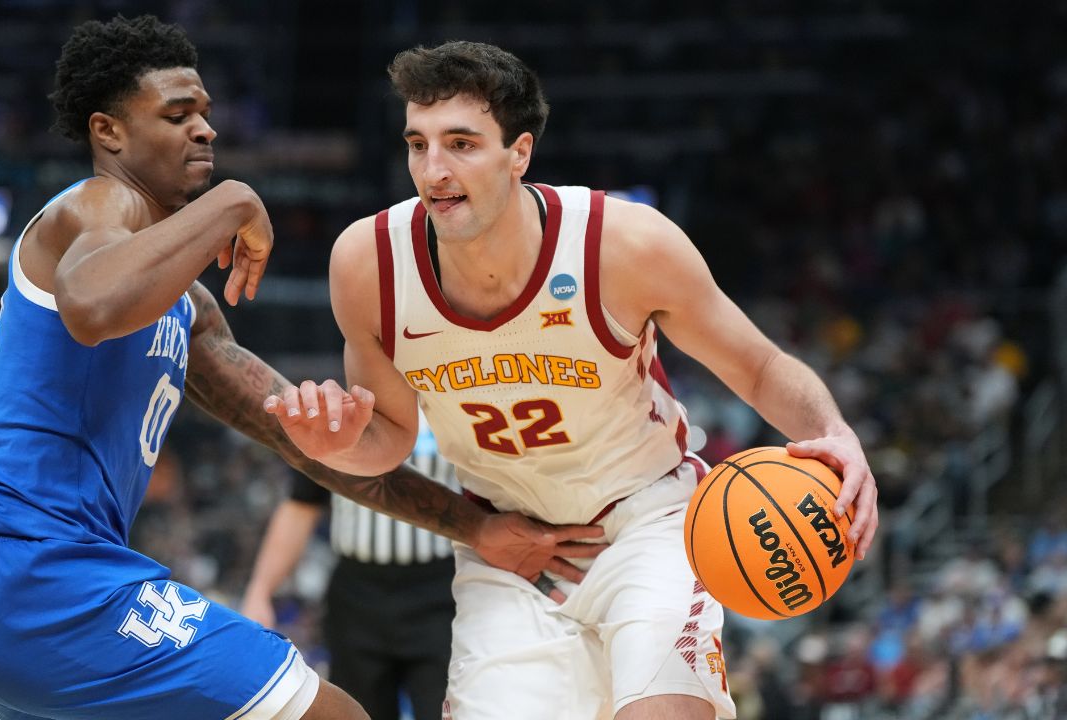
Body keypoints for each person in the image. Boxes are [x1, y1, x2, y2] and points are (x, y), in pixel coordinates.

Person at [0, 19, 607, 720]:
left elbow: (306, 447)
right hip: (27, 572)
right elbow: (91, 306)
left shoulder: (185, 308)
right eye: (177, 115)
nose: (205, 129)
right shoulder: (97, 203)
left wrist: (474, 527)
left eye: (205, 113)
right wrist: (232, 201)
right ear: (108, 132)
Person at [265, 40, 881, 720]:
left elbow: (758, 367)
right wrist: (334, 446)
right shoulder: (367, 264)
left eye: (461, 144)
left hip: (647, 523)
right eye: (418, 144)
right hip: (509, 549)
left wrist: (833, 432)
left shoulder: (624, 245)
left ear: (519, 153)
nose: (433, 170)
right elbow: (388, 440)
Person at [244, 412, 457, 720]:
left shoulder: (447, 404)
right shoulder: (337, 407)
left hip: (440, 592)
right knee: (355, 711)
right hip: (357, 596)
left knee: (447, 710)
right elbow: (301, 503)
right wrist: (260, 590)